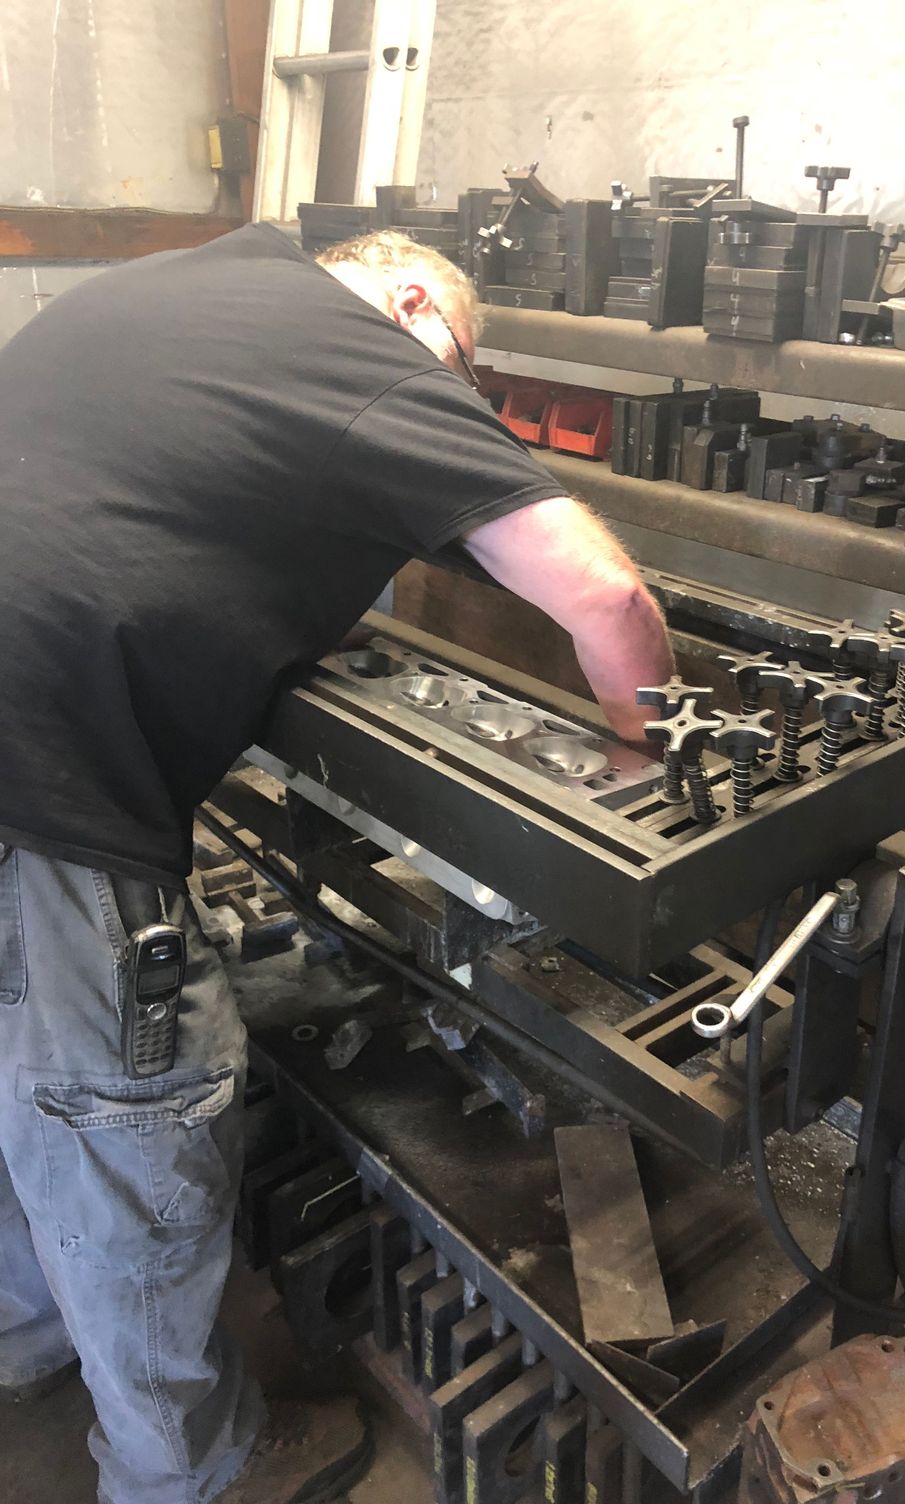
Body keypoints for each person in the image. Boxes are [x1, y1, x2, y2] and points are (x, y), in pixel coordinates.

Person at [0, 223, 674, 1502]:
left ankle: (27, 1340)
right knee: (128, 1128)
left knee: (17, 1071)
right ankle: (192, 1471)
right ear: (414, 301)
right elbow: (606, 598)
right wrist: (656, 760)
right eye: (462, 368)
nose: (455, 394)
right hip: (41, 776)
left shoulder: (187, 285)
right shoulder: (366, 347)